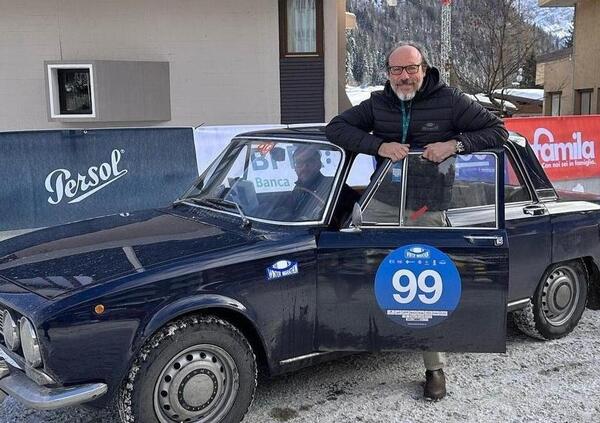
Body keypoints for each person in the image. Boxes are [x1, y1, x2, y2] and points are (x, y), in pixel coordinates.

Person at [325, 41, 508, 401]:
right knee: (350, 256)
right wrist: (378, 146)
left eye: (411, 69)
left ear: (424, 69)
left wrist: (453, 145)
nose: (404, 76)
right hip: (383, 202)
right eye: (397, 70)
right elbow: (337, 129)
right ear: (388, 73)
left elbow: (497, 132)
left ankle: (434, 369)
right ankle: (352, 336)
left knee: (429, 288)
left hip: (428, 207)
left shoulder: (451, 100)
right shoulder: (378, 103)